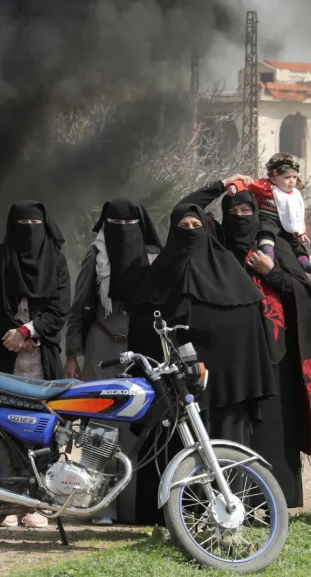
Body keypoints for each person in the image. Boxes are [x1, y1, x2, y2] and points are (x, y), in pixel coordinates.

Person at [125, 202, 276, 526]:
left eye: (196, 226)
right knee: (172, 446)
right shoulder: (157, 278)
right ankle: (173, 518)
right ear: (172, 233)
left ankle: (228, 510)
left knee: (226, 447)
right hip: (174, 389)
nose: (190, 232)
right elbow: (143, 331)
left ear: (207, 231)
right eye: (184, 227)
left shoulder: (232, 275)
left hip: (226, 389)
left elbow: (248, 332)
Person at [183, 180, 311, 508]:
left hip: (273, 357)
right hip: (230, 359)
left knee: (272, 430)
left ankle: (272, 502)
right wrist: (221, 185)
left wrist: (271, 272)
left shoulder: (275, 247)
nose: (241, 216)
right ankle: (232, 498)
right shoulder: (216, 245)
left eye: (247, 210)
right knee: (233, 431)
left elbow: (305, 296)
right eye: (234, 211)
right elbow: (186, 211)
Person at [64, 198, 162, 525]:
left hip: (141, 349)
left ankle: (135, 507)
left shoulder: (154, 257)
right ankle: (100, 505)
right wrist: (72, 353)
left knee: (137, 427)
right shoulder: (96, 255)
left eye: (128, 224)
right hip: (101, 347)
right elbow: (78, 305)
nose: (122, 230)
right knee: (100, 427)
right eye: (115, 224)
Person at [0, 200, 71, 529]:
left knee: (43, 429)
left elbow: (60, 308)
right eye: (22, 224)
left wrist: (29, 332)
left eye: (34, 224)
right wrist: (10, 336)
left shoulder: (56, 260)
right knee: (2, 428)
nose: (29, 230)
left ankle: (38, 503)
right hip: (5, 355)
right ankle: (4, 500)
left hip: (41, 357)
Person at [236, 153, 311, 274]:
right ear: (274, 178)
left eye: (294, 177)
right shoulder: (268, 187)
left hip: (286, 225)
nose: (292, 181)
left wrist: (301, 233)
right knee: (266, 233)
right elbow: (246, 184)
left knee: (295, 242)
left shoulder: (295, 194)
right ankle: (267, 253)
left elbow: (297, 216)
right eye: (287, 177)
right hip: (269, 220)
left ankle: (303, 260)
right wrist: (234, 186)